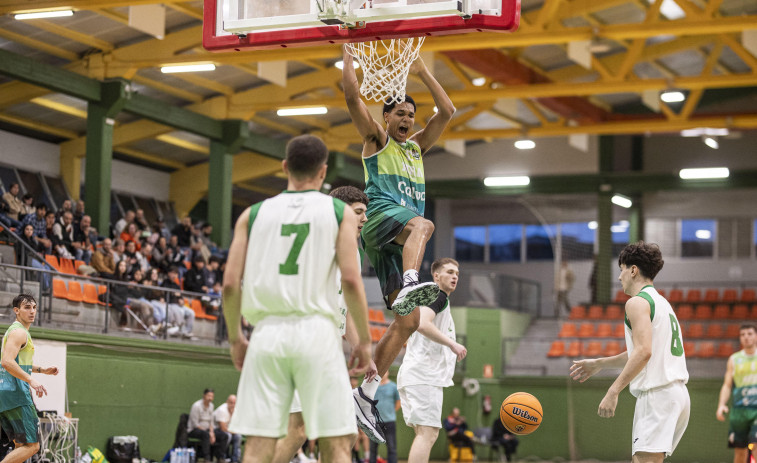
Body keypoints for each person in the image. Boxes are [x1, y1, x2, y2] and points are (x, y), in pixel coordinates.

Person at [222, 134, 372, 463]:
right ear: (323, 171)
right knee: (337, 441)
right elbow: (350, 280)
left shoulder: (252, 214)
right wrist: (366, 343)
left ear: (284, 167)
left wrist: (236, 338)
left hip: (267, 334)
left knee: (259, 443)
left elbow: (230, 284)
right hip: (318, 333)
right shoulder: (339, 214)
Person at [342, 45, 456, 443]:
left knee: (407, 322)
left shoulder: (417, 148)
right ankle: (411, 280)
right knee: (424, 225)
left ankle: (365, 392)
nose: (407, 119)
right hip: (379, 220)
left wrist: (423, 72)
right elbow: (352, 98)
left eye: (411, 114)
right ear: (386, 117)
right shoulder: (377, 141)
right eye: (400, 114)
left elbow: (448, 112)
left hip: (398, 237)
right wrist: (348, 57)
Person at [271, 185, 376, 463]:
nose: (365, 219)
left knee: (345, 433)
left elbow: (346, 315)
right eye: (358, 213)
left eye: (365, 213)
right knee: (300, 430)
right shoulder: (323, 241)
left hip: (324, 345)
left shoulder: (352, 248)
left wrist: (362, 347)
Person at [570, 241, 689, 463]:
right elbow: (639, 351)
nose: (619, 277)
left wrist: (613, 391)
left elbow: (643, 352)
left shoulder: (637, 302)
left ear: (633, 270)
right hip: (677, 396)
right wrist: (598, 363)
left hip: (658, 396)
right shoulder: (662, 303)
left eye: (622, 269)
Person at [397, 257, 467, 463]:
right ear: (436, 276)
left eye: (457, 273)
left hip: (416, 373)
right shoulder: (438, 296)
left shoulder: (434, 298)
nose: (454, 276)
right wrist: (452, 344)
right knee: (428, 433)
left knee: (424, 433)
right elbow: (423, 324)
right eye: (449, 272)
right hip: (424, 374)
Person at [0, 294, 59, 463]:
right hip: (16, 394)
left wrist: (41, 370)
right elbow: (6, 362)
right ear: (16, 311)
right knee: (32, 446)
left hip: (6, 393)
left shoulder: (15, 331)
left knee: (20, 445)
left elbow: (15, 362)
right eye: (27, 307)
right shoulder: (19, 332)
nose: (32, 311)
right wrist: (31, 380)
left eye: (34, 307)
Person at [716, 324, 757, 463]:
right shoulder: (734, 359)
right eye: (743, 334)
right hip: (739, 412)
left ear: (756, 336)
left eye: (750, 333)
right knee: (740, 453)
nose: (746, 337)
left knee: (756, 447)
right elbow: (727, 385)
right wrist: (721, 404)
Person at [188, 388, 228, 463]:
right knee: (206, 434)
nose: (210, 398)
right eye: (208, 396)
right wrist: (209, 433)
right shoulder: (196, 406)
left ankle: (220, 458)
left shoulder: (211, 406)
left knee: (224, 435)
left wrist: (212, 433)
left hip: (207, 430)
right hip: (194, 430)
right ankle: (207, 459)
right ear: (204, 396)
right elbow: (195, 424)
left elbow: (211, 422)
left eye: (212, 396)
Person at [370, 376, 400, 463]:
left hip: (389, 422)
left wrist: (391, 412)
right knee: (372, 448)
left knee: (391, 447)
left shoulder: (393, 386)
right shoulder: (372, 386)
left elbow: (399, 401)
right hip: (374, 422)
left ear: (388, 373)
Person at [214, 395, 241, 463]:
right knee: (228, 436)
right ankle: (223, 457)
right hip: (215, 430)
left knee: (238, 436)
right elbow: (222, 428)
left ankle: (235, 459)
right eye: (231, 403)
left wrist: (232, 414)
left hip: (228, 430)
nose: (233, 405)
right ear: (227, 402)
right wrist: (234, 432)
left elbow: (236, 425)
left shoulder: (236, 410)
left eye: (234, 403)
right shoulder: (222, 410)